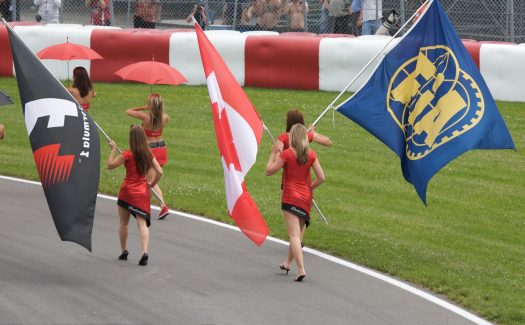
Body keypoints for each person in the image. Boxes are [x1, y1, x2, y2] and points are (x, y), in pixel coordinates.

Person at [266, 123, 325, 282]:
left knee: (293, 235)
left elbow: (269, 171)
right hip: (306, 198)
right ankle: (288, 263)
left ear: (293, 137)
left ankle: (301, 269)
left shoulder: (286, 154)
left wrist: (273, 154)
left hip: (290, 196)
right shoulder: (311, 154)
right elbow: (322, 177)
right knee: (297, 235)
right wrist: (309, 188)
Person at [107, 125, 163, 266]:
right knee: (142, 223)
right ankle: (144, 251)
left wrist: (113, 150)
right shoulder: (148, 154)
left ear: (131, 139)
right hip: (142, 192)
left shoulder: (127, 154)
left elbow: (110, 165)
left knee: (123, 223)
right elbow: (160, 171)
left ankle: (124, 250)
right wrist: (152, 183)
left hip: (127, 191)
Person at [126, 94, 170, 219]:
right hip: (161, 148)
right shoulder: (165, 118)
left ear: (150, 105)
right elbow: (158, 117)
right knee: (151, 179)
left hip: (151, 150)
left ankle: (162, 206)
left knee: (149, 180)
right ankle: (149, 205)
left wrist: (142, 107)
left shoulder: (145, 117)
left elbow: (128, 111)